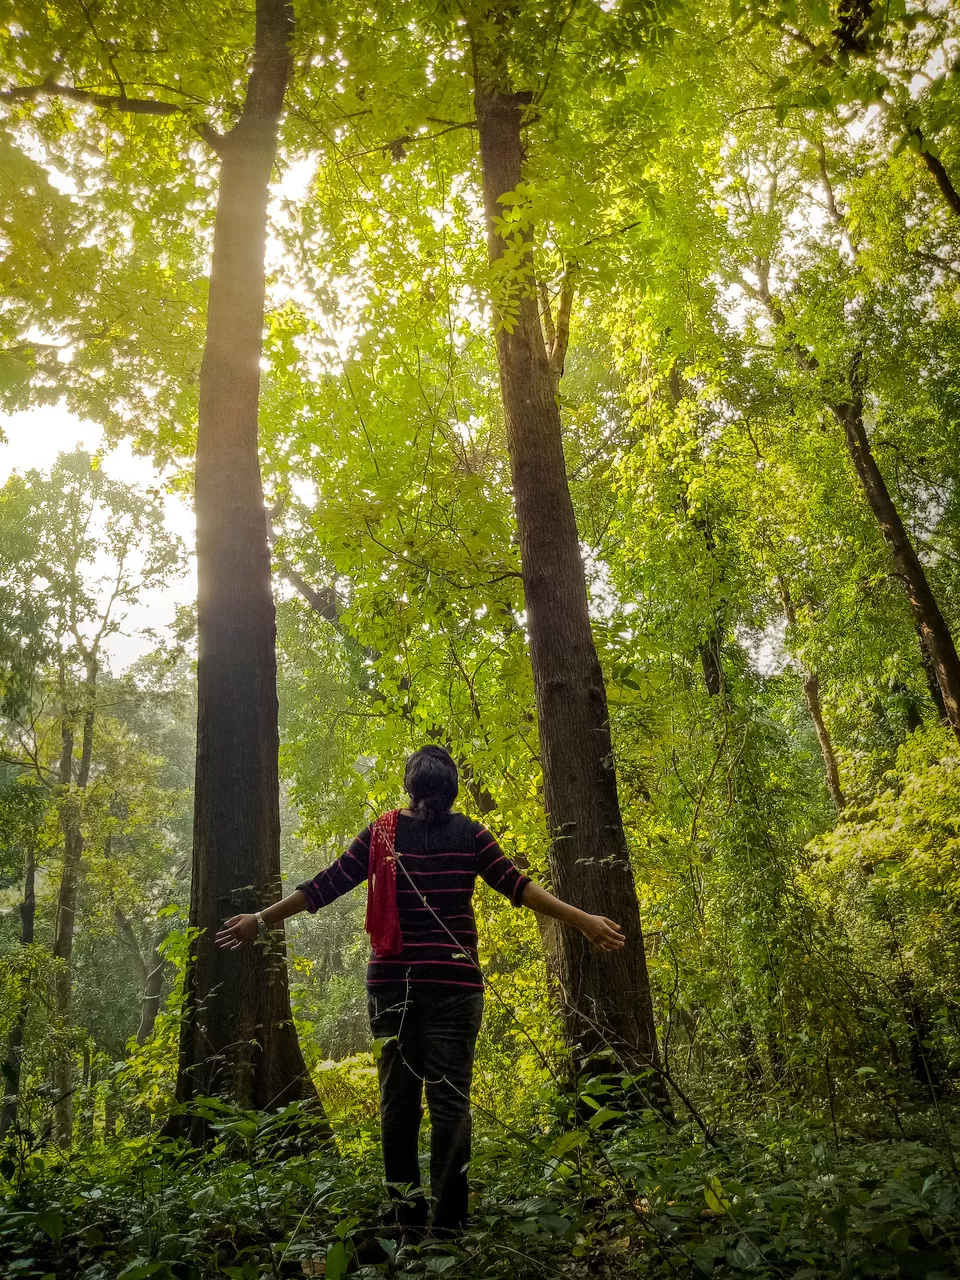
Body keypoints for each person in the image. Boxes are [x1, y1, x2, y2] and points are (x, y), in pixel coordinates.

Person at [216, 745, 624, 1235]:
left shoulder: (382, 834)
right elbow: (518, 887)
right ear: (452, 789)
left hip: (392, 987)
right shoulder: (471, 834)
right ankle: (448, 1225)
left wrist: (260, 919)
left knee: (398, 1101)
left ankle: (405, 1219)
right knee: (450, 1102)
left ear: (409, 787)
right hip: (455, 986)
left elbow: (324, 885)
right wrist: (584, 921)